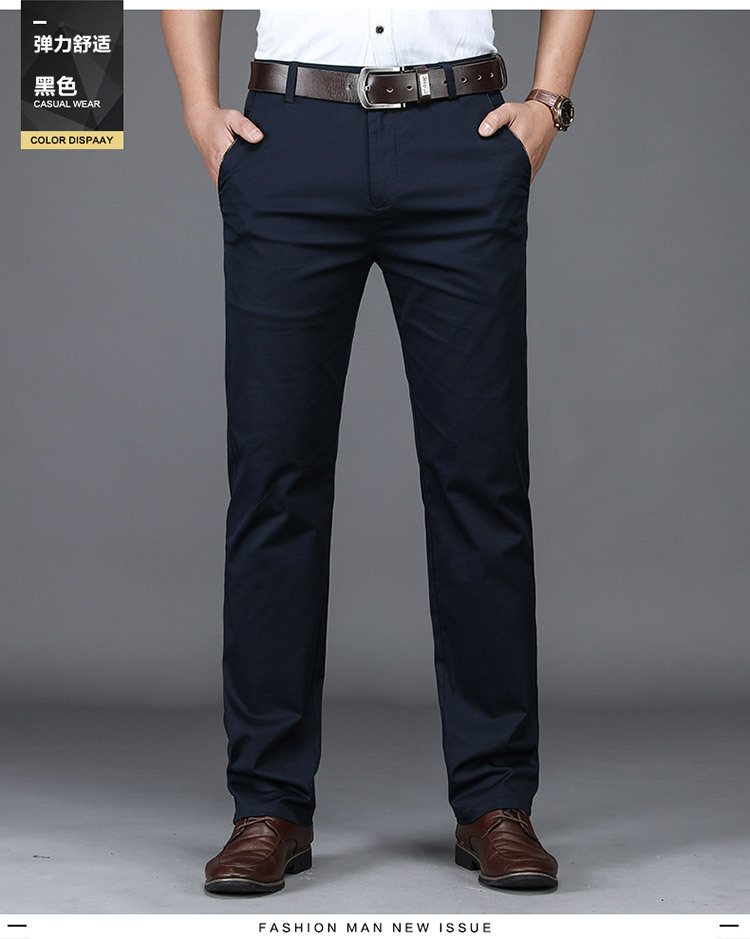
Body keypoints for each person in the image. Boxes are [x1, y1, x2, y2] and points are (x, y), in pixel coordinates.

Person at [161, 8, 594, 896]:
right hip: (291, 137)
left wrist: (550, 103)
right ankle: (268, 805)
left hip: (462, 132)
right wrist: (199, 111)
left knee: (481, 479)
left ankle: (496, 800)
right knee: (274, 481)